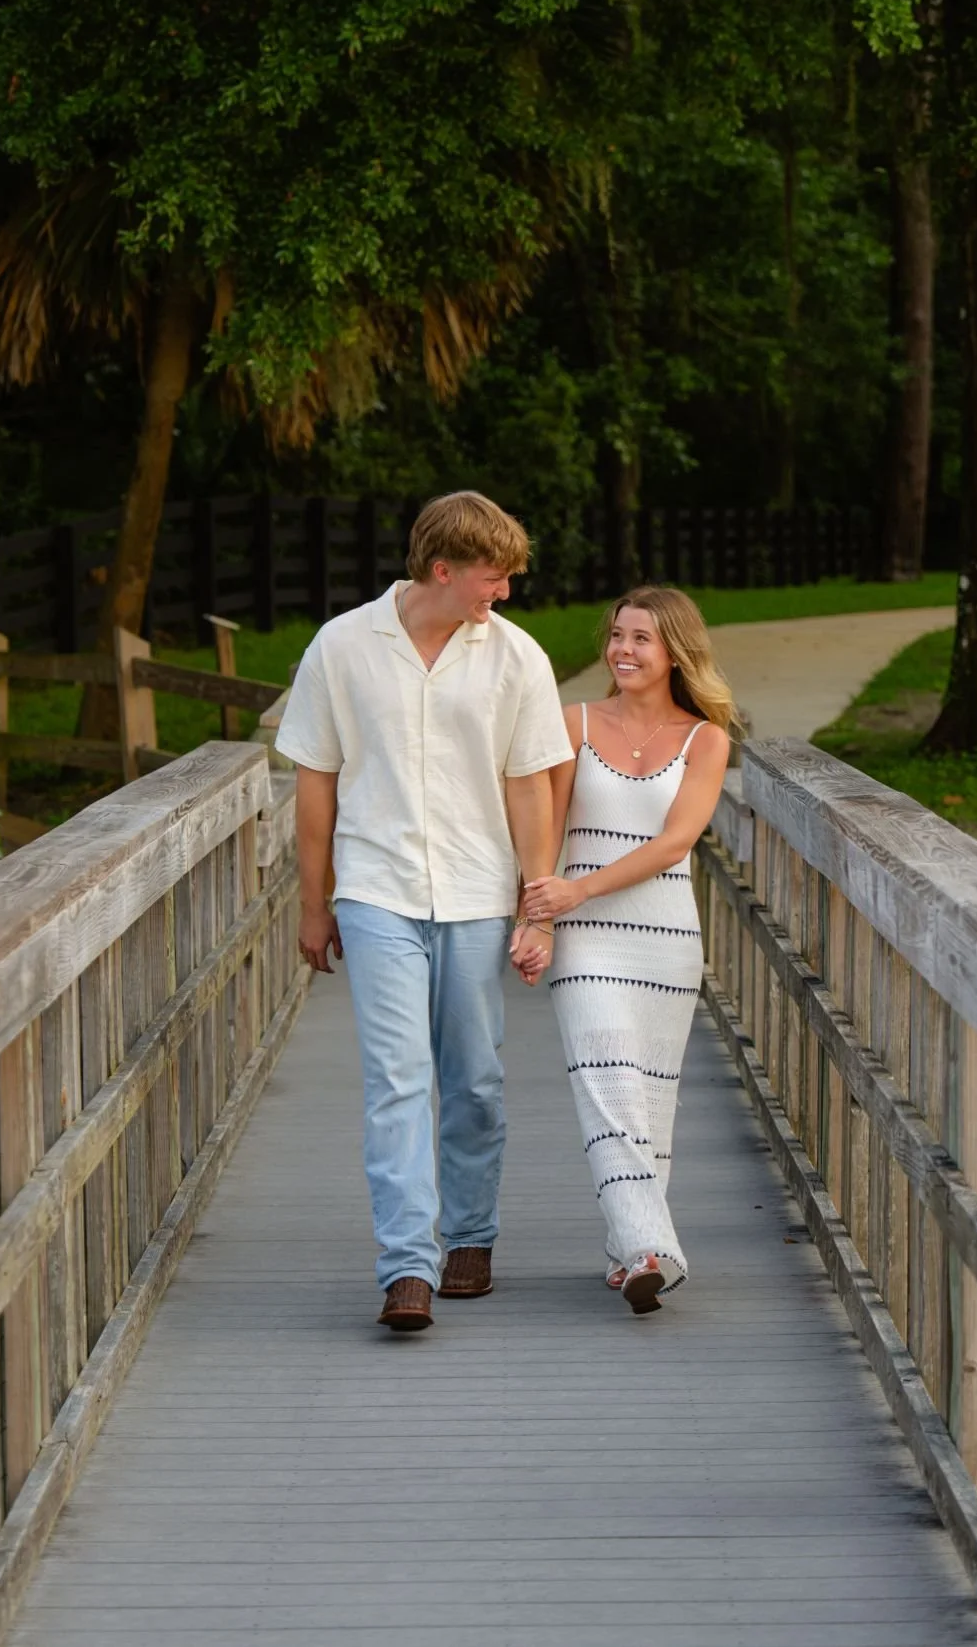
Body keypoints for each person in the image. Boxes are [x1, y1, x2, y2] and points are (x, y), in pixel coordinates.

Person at [276, 492, 572, 1334]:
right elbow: (315, 782)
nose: (505, 591)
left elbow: (530, 787)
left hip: (479, 892)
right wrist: (313, 904)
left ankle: (469, 1236)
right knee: (396, 1078)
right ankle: (406, 1263)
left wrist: (538, 903)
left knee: (473, 1077)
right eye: (494, 575)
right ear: (442, 569)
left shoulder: (515, 658)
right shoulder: (342, 647)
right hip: (376, 889)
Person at [524, 586, 732, 1314]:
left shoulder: (705, 738)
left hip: (667, 939)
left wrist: (581, 891)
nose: (623, 649)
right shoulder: (572, 722)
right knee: (606, 1076)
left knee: (649, 1098)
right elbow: (543, 824)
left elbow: (676, 842)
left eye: (641, 637)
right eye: (616, 635)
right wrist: (543, 913)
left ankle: (627, 1250)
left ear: (675, 649)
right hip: (585, 940)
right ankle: (653, 1247)